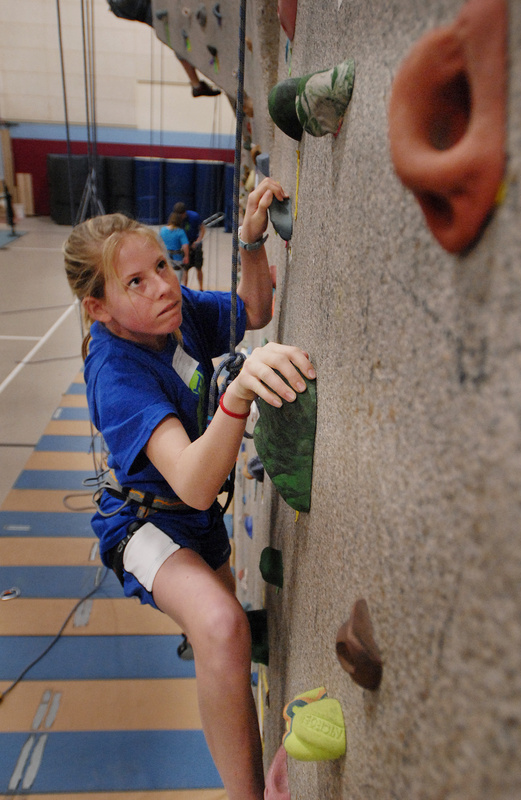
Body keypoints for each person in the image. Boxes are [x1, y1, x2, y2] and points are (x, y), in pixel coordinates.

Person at [63, 177, 316, 800]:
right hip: (143, 528)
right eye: (135, 283)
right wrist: (238, 392)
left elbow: (251, 311)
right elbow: (196, 482)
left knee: (223, 640)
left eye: (161, 266)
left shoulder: (171, 318)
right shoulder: (117, 375)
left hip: (194, 522)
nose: (163, 286)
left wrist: (252, 243)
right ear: (98, 308)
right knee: (222, 627)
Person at [172, 201, 206, 290]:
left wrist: (198, 241)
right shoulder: (176, 220)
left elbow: (202, 229)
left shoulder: (194, 216)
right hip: (185, 245)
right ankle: (184, 288)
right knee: (185, 269)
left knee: (198, 267)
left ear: (184, 213)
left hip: (195, 243)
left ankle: (201, 288)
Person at [159, 206, 190, 274]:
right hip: (177, 258)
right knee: (177, 277)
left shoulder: (163, 230)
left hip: (165, 257)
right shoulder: (180, 231)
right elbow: (185, 245)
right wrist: (186, 256)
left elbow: (158, 242)